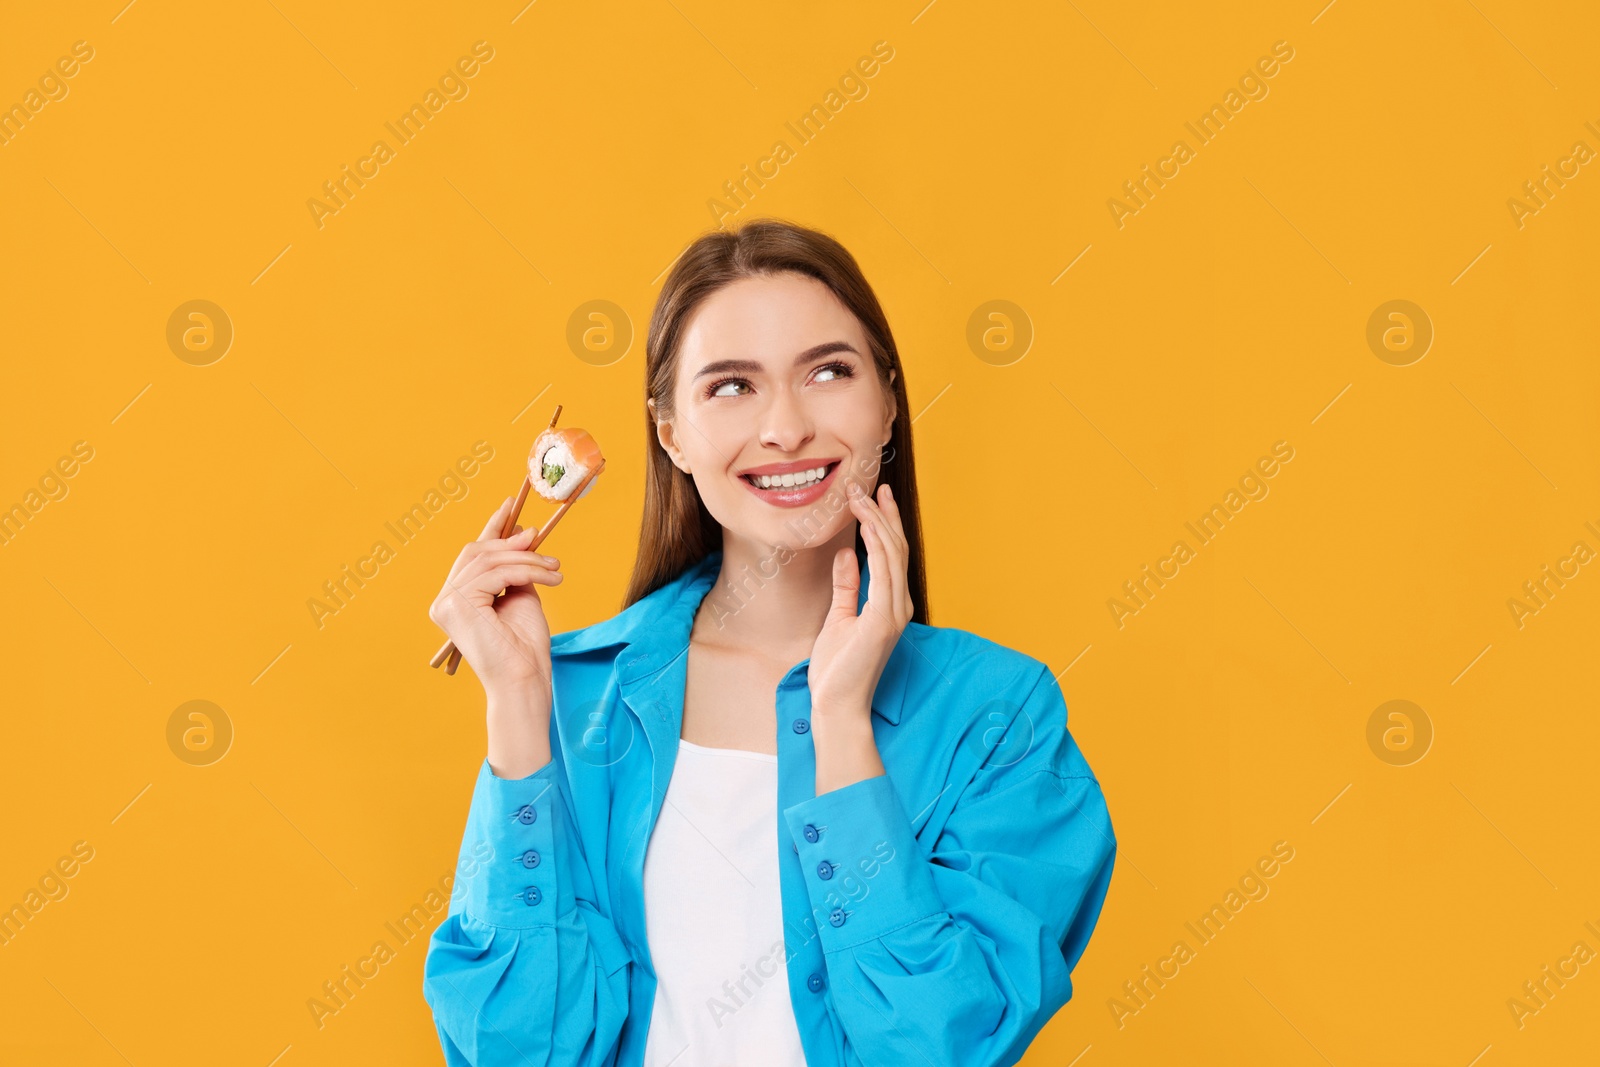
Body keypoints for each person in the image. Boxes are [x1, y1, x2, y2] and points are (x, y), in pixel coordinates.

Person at [421, 218, 1117, 1066]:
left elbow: (940, 1044)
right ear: (671, 434)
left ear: (889, 403)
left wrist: (843, 723)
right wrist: (520, 706)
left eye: (827, 372)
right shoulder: (575, 700)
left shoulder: (1001, 720)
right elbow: (523, 1048)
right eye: (731, 387)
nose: (785, 429)